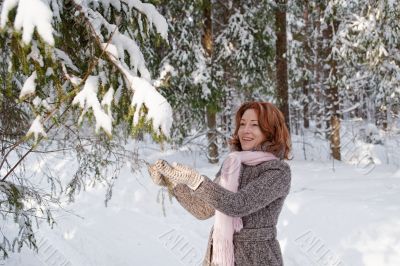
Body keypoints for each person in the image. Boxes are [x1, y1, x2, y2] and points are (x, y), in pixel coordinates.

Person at [148, 101, 292, 266]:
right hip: (219, 257)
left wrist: (196, 181)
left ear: (270, 131)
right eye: (242, 124)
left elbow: (238, 204)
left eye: (254, 125)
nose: (245, 130)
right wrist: (174, 183)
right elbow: (203, 209)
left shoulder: (277, 172)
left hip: (257, 258)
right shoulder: (233, 164)